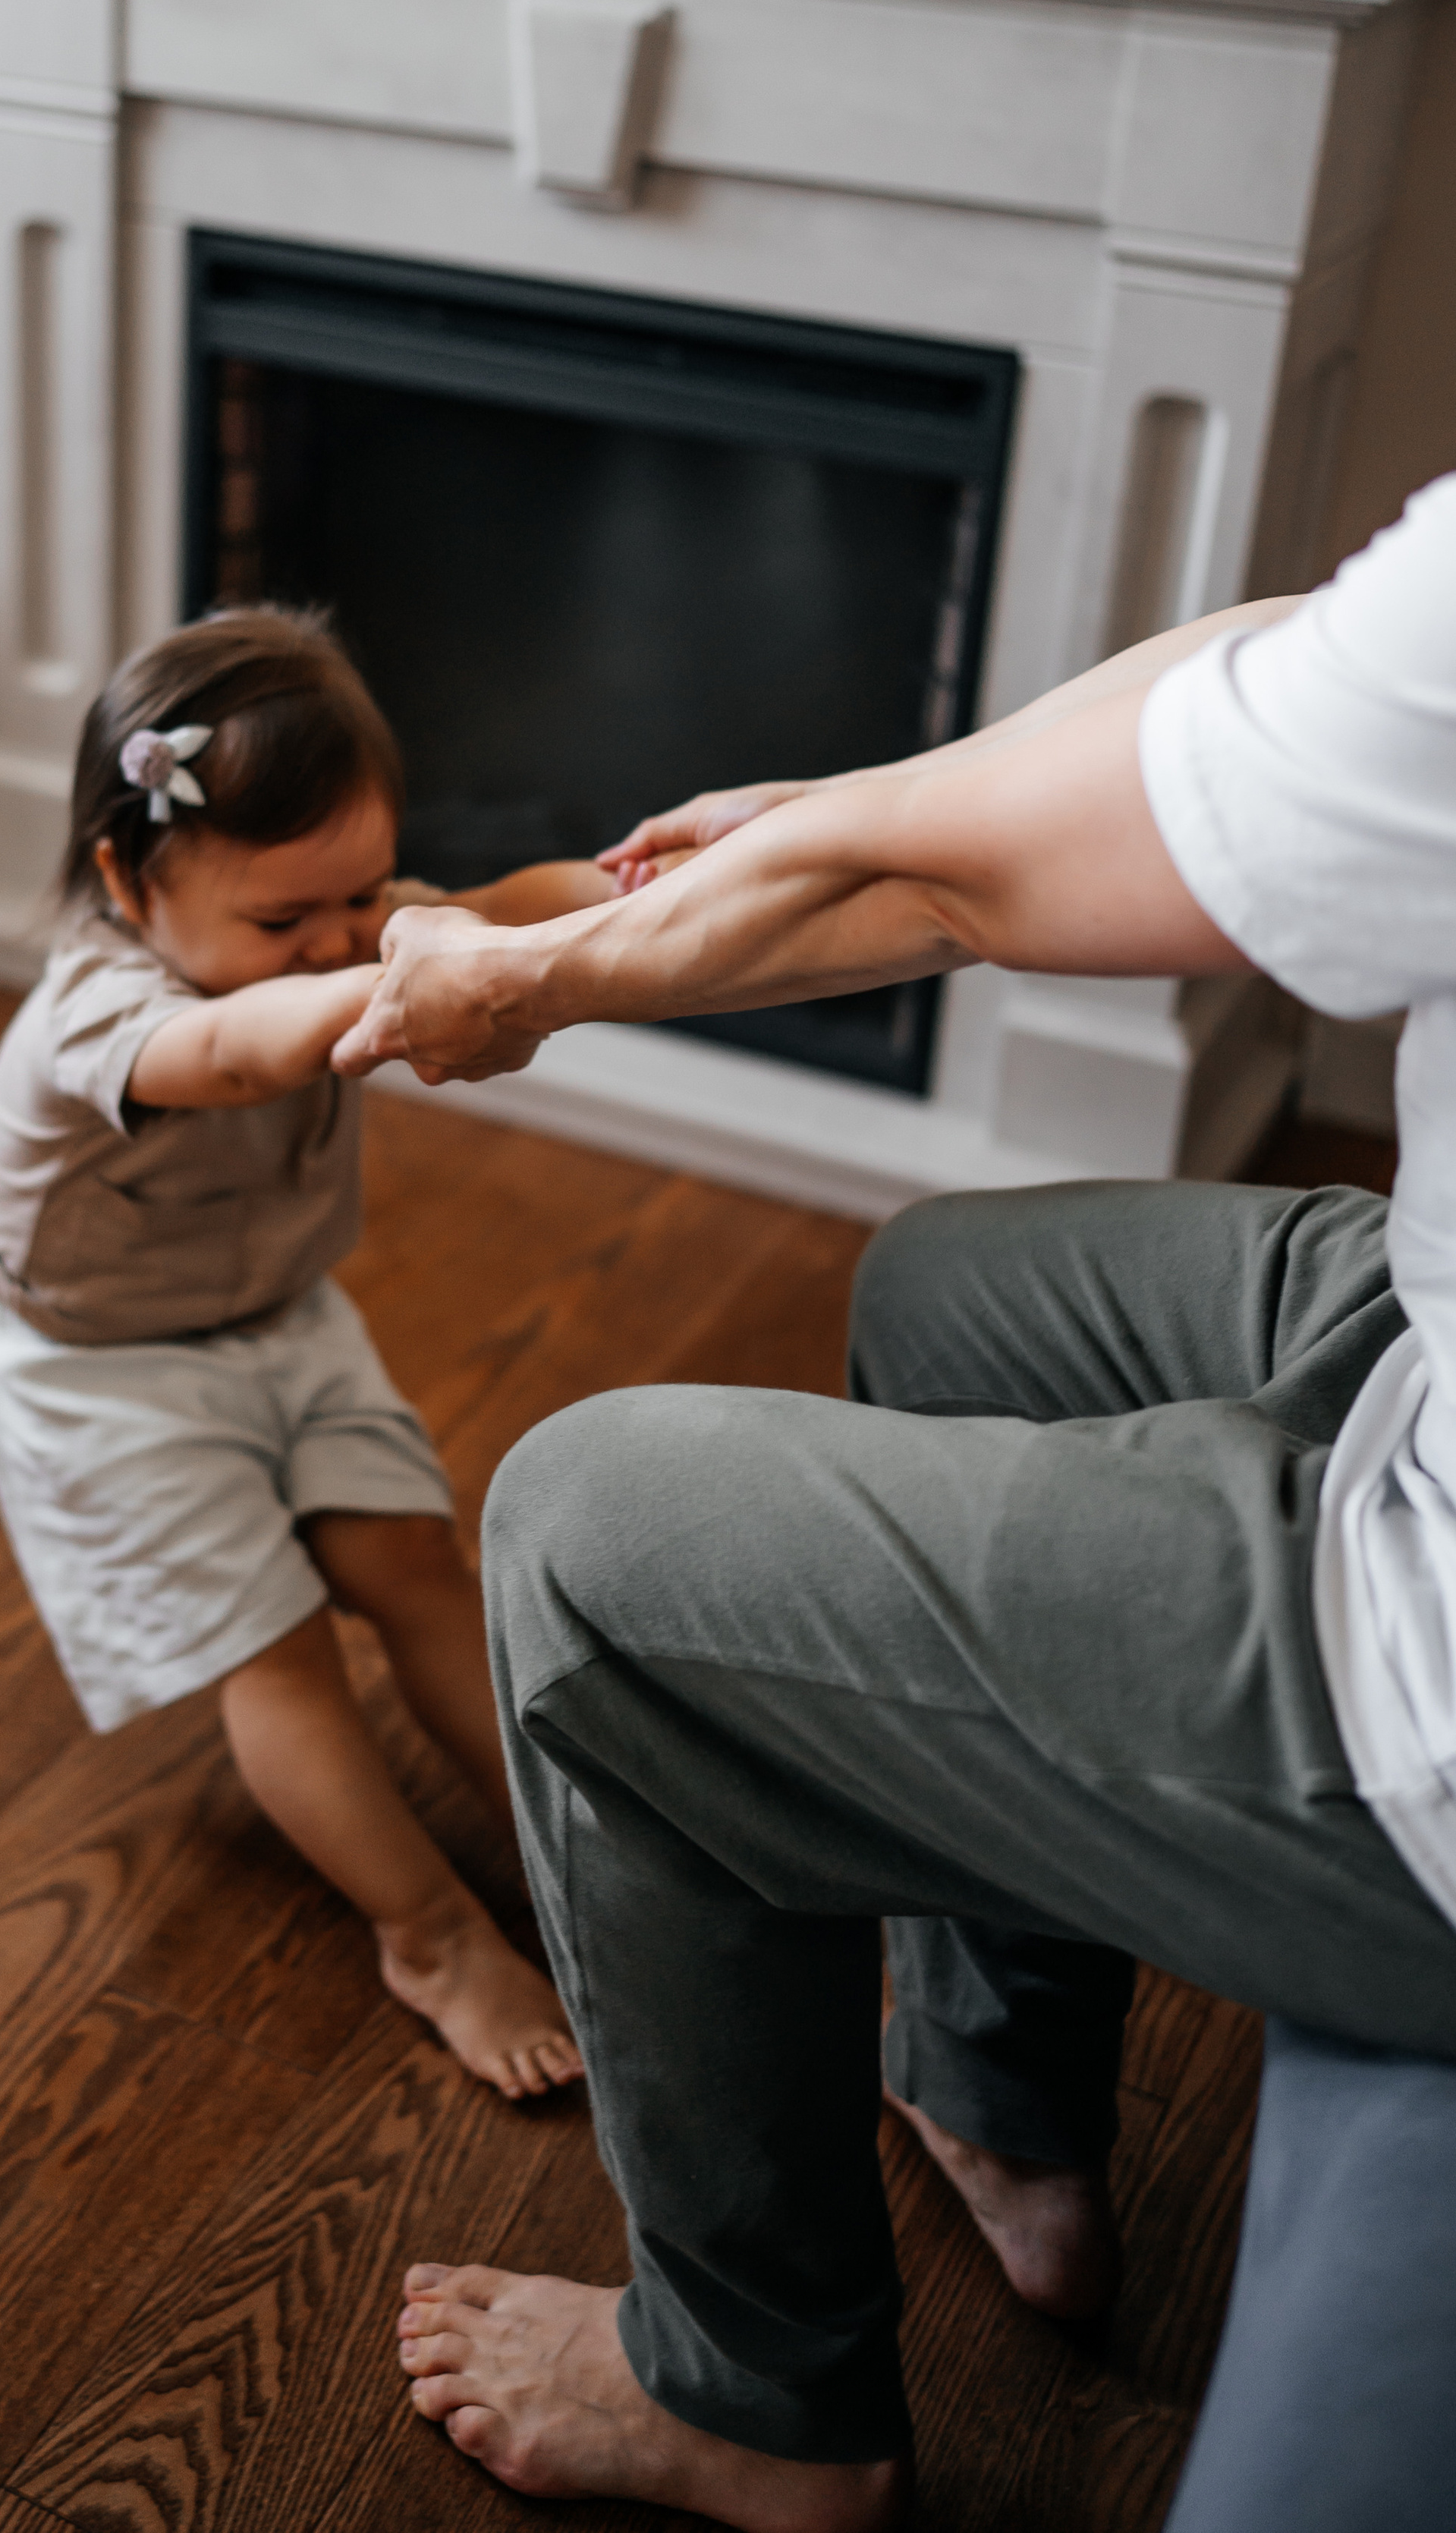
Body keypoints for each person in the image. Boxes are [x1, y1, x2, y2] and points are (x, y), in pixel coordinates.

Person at [335, 477, 1456, 2531]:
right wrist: (859, 798)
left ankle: (757, 2398)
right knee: (966, 1292)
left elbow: (965, 893)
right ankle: (993, 2095)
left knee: (586, 1536)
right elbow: (1290, 655)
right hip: (1427, 1334)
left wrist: (546, 970)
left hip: (1436, 1656)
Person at [0, 604, 615, 2100]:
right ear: (130, 880)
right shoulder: (96, 1016)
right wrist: (400, 977)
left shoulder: (329, 916)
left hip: (283, 1322)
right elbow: (242, 1053)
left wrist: (626, 890)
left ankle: (576, 1864)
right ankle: (431, 1936)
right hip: (96, 1373)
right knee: (278, 1654)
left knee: (406, 1561)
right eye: (282, 924)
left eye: (363, 892)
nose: (336, 939)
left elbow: (496, 909)